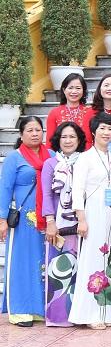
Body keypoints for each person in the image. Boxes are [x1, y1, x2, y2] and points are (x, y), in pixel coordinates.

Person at [68, 113, 111, 328]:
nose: (106, 132)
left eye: (110, 128)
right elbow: (77, 191)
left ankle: (107, 312)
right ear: (93, 132)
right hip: (92, 212)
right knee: (92, 259)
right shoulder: (85, 158)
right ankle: (88, 314)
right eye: (102, 128)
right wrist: (81, 219)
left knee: (110, 259)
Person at [0, 117, 48, 326]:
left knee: (41, 261)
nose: (35, 133)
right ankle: (20, 309)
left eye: (38, 129)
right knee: (21, 262)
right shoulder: (14, 158)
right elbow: (5, 188)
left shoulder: (51, 155)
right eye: (30, 130)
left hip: (46, 218)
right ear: (21, 134)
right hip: (23, 220)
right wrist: (2, 219)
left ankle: (38, 308)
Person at [40, 122, 86, 326]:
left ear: (79, 140)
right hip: (58, 223)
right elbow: (46, 194)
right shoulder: (50, 164)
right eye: (64, 137)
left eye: (72, 137)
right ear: (57, 140)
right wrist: (50, 221)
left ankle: (80, 314)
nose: (68, 141)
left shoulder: (84, 161)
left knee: (80, 267)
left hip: (81, 222)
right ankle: (58, 316)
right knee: (57, 267)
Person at [45, 74, 89, 147]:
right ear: (64, 90)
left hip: (85, 152)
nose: (74, 91)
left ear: (83, 90)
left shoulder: (90, 112)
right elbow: (49, 142)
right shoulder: (54, 113)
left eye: (78, 88)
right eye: (70, 88)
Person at [84, 74, 111, 138]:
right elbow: (87, 139)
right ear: (100, 89)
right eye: (106, 85)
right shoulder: (90, 113)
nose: (110, 88)